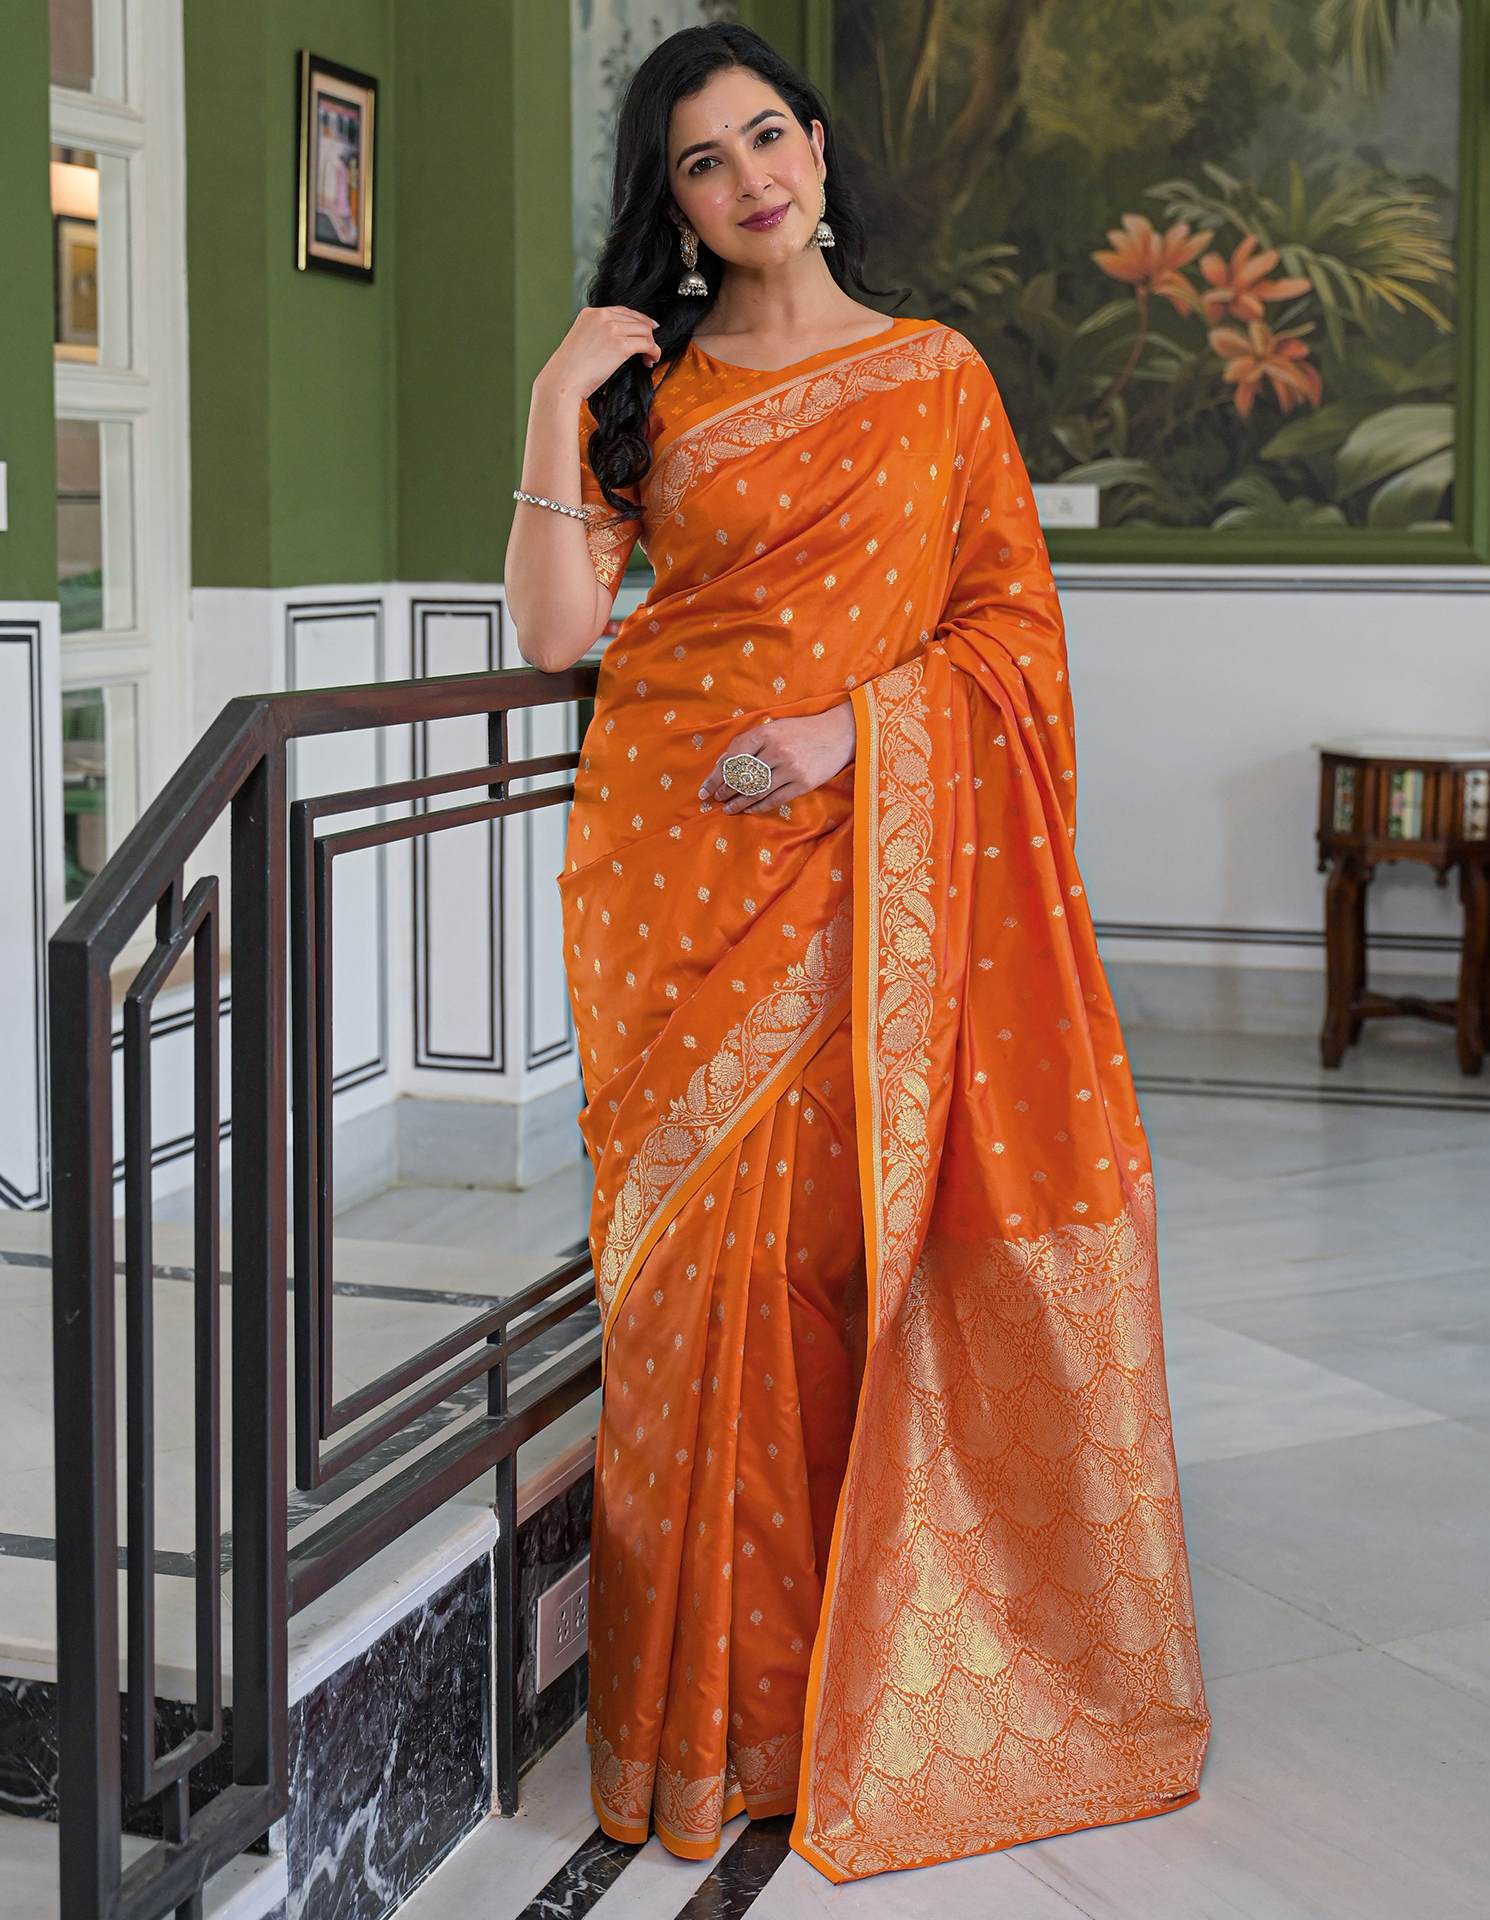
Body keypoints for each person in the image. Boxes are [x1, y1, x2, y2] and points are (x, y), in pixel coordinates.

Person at [502, 20, 1211, 1887]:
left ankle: (843, 1696)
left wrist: (849, 735)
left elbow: (1008, 634)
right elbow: (564, 637)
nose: (748, 181)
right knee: (678, 1308)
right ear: (671, 206)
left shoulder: (933, 376)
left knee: (831, 1278)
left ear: (815, 147)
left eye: (765, 140)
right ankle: (700, 1728)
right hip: (666, 876)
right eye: (702, 166)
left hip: (861, 870)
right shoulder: (653, 387)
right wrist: (556, 398)